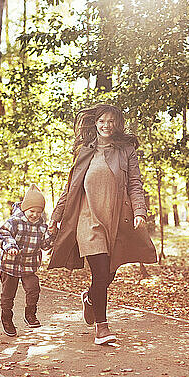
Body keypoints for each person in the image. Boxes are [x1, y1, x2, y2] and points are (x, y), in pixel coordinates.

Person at [48, 104, 157, 346]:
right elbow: (71, 189)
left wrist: (139, 211)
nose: (106, 125)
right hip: (88, 222)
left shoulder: (126, 150)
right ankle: (102, 327)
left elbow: (135, 184)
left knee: (107, 274)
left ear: (118, 124)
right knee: (99, 272)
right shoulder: (84, 151)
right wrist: (56, 217)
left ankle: (90, 299)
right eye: (102, 121)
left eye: (111, 121)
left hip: (116, 220)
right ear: (95, 123)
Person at [0, 184, 55, 337]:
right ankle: (7, 317)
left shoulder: (42, 227)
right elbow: (4, 234)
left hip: (29, 267)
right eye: (31, 211)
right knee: (8, 295)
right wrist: (10, 246)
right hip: (10, 265)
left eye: (38, 212)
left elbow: (44, 245)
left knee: (33, 289)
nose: (35, 215)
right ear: (24, 209)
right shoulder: (14, 221)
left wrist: (51, 234)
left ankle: (30, 314)